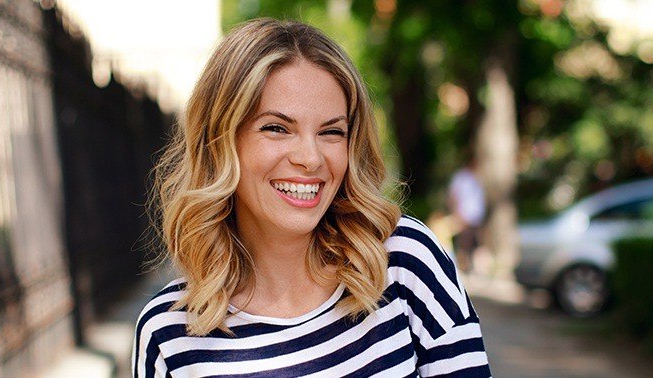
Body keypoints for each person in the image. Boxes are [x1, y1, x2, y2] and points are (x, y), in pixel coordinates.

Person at [134, 18, 491, 377]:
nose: (311, 158)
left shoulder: (404, 263)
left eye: (331, 132)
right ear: (220, 142)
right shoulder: (168, 335)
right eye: (276, 128)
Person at [447, 155, 486, 273]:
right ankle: (462, 267)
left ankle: (472, 267)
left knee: (475, 243)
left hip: (476, 218)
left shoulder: (478, 178)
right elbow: (453, 196)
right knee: (464, 243)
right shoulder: (461, 177)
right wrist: (457, 214)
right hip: (464, 216)